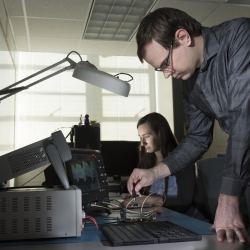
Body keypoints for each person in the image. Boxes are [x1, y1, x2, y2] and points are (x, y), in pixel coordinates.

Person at [127, 7, 250, 244]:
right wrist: (155, 172)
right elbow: (197, 138)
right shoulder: (189, 82)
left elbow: (244, 116)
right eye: (160, 68)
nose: (165, 74)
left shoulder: (240, 37)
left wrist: (228, 199)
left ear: (183, 37)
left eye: (165, 63)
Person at [123, 112, 195, 213]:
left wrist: (148, 200)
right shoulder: (145, 162)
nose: (142, 143)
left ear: (160, 134)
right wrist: (135, 197)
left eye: (146, 136)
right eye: (140, 137)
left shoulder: (182, 162)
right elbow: (142, 195)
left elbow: (184, 203)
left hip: (181, 219)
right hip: (154, 217)